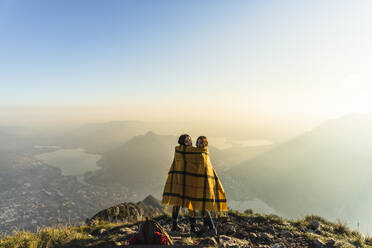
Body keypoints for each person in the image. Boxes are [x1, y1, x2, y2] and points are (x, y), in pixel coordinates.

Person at [162, 134, 227, 235]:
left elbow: (205, 169)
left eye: (190, 140)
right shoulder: (180, 151)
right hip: (182, 180)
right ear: (182, 142)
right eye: (187, 140)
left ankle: (208, 228)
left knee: (201, 206)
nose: (191, 142)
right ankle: (177, 226)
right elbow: (178, 164)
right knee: (178, 202)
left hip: (199, 184)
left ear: (205, 144)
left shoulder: (202, 153)